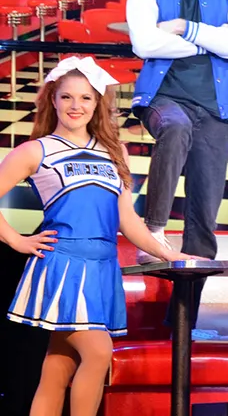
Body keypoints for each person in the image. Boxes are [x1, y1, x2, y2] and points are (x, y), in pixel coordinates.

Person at [2, 57, 193, 416]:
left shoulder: (114, 152)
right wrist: (17, 240)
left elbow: (128, 221)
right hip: (63, 266)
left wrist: (172, 256)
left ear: (97, 103)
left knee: (58, 368)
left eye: (86, 98)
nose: (76, 106)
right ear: (53, 100)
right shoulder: (36, 151)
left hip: (102, 267)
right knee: (99, 352)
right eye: (67, 97)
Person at [125, 0, 228, 332]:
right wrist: (210, 41)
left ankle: (180, 322)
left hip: (219, 107)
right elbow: (145, 45)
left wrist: (183, 29)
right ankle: (154, 228)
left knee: (203, 220)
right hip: (164, 96)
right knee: (175, 127)